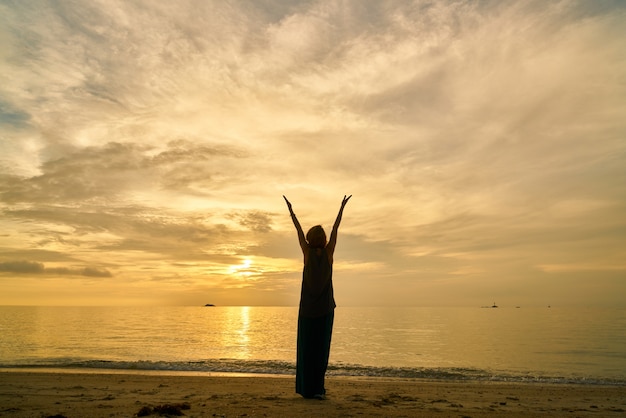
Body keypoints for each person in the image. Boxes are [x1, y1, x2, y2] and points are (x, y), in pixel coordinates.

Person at [283, 194, 351, 399]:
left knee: (306, 350)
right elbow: (335, 229)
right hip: (325, 310)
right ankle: (318, 389)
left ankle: (306, 389)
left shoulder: (306, 253)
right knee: (321, 351)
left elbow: (298, 230)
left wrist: (291, 211)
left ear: (310, 239)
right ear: (323, 240)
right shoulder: (329, 253)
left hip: (307, 311)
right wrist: (341, 209)